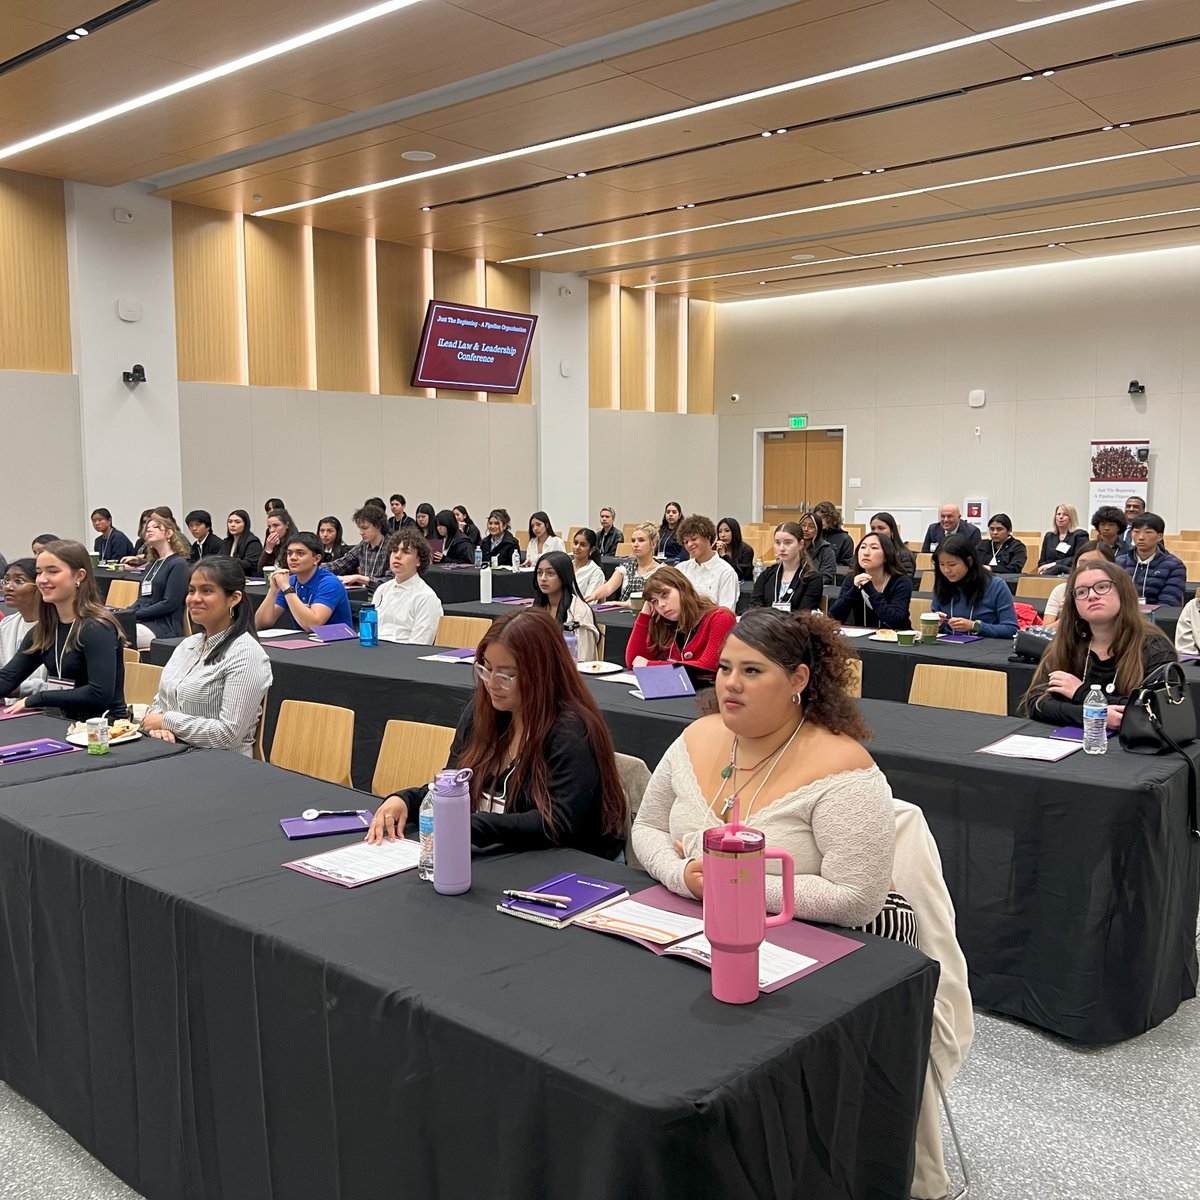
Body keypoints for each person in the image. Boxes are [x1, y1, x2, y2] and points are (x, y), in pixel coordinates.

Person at [631, 608, 894, 926]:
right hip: (686, 925)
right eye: (724, 668)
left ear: (797, 679)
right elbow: (648, 827)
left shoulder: (844, 769)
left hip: (808, 945)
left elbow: (857, 899)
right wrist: (679, 874)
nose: (731, 683)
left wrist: (729, 884)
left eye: (752, 671)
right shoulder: (696, 736)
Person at [366, 609, 626, 858]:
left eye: (507, 675)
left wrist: (471, 826)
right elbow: (453, 785)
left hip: (566, 866)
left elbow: (558, 824)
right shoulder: (483, 712)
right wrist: (406, 801)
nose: (491, 683)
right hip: (504, 855)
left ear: (542, 674)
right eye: (486, 668)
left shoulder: (570, 730)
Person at [1023, 560, 1177, 728]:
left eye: (1102, 587)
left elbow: (1157, 711)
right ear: (1074, 606)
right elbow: (1037, 703)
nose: (1092, 595)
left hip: (1134, 749)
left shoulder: (1155, 647)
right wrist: (1095, 714)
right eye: (1081, 592)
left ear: (1123, 593)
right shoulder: (1067, 643)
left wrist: (1081, 693)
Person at [141, 558, 272, 755]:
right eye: (191, 590)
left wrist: (167, 721)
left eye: (207, 591)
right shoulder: (188, 645)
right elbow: (161, 702)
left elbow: (228, 735)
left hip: (222, 765)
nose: (194, 598)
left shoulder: (246, 655)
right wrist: (159, 728)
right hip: (174, 753)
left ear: (234, 598)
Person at [0, 540, 128, 720]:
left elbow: (99, 694)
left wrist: (36, 699)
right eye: (39, 572)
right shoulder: (45, 629)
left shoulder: (96, 628)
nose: (42, 579)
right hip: (63, 723)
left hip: (104, 730)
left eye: (52, 571)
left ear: (79, 576)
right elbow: (7, 679)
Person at [625, 566, 737, 684]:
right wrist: (644, 614)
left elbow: (709, 667)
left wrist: (650, 665)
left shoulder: (720, 617)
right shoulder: (666, 624)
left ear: (682, 588)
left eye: (665, 594)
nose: (661, 605)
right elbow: (633, 661)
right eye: (654, 601)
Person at [256, 532, 353, 633]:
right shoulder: (291, 581)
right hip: (306, 643)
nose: (292, 558)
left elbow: (313, 625)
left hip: (338, 642)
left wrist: (287, 589)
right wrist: (273, 590)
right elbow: (260, 624)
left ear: (316, 559)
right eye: (289, 553)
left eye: (300, 553)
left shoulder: (330, 583)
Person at [930, 534, 1018, 638]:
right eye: (942, 564)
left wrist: (974, 626)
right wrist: (937, 622)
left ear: (969, 561)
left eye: (952, 564)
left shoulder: (995, 585)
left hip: (985, 649)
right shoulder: (943, 582)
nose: (946, 570)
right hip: (948, 648)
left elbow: (1011, 629)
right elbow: (938, 624)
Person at [122, 515, 189, 649]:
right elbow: (142, 599)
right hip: (143, 620)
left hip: (163, 626)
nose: (149, 530)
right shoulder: (152, 564)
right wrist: (125, 613)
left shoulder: (178, 564)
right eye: (147, 528)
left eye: (156, 527)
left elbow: (169, 603)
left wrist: (133, 615)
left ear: (169, 533)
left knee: (116, 637)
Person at [372, 529, 443, 644]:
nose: (397, 556)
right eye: (394, 551)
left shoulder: (426, 598)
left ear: (419, 560)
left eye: (406, 552)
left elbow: (419, 645)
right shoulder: (382, 590)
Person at [829, 533, 913, 629]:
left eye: (874, 548)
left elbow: (895, 620)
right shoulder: (852, 579)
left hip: (896, 639)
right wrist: (854, 590)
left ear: (886, 555)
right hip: (863, 641)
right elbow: (833, 618)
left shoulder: (901, 582)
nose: (866, 553)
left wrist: (870, 589)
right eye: (863, 547)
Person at [533, 551, 599, 661]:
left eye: (550, 573)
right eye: (539, 573)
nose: (543, 578)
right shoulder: (535, 608)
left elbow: (583, 657)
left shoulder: (579, 611)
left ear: (563, 576)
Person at [750, 522, 823, 613]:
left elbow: (804, 614)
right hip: (766, 625)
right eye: (777, 543)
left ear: (800, 544)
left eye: (787, 543)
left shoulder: (812, 578)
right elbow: (754, 606)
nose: (781, 548)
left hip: (794, 626)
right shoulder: (767, 574)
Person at [0, 558, 48, 697]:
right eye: (5, 581)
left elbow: (62, 688)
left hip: (46, 709)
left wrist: (18, 689)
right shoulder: (6, 625)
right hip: (11, 708)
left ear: (40, 585)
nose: (8, 587)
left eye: (18, 581)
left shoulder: (56, 627)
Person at [584, 521, 662, 605]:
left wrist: (619, 603)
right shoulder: (625, 568)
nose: (635, 544)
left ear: (653, 544)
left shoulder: (661, 571)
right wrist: (593, 595)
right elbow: (608, 587)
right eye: (633, 541)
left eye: (641, 540)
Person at [1042, 541, 1116, 627]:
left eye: (1096, 564)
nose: (1087, 568)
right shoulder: (1061, 590)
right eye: (1082, 563)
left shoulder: (1118, 592)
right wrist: (1071, 615)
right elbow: (1045, 630)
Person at [1118, 512, 1185, 606]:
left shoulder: (1174, 566)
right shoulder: (1119, 562)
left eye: (1148, 532)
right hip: (1123, 616)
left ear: (1159, 536)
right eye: (1136, 532)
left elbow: (1169, 602)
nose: (1141, 537)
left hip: (1156, 617)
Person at [675, 515, 739, 611]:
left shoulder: (726, 572)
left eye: (693, 539)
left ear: (708, 537)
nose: (689, 545)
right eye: (685, 541)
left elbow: (726, 612)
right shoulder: (680, 569)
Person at [328, 505, 391, 591]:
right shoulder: (363, 545)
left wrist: (359, 578)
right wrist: (314, 566)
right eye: (360, 528)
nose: (361, 532)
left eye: (365, 528)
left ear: (378, 526)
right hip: (365, 595)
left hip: (384, 597)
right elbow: (340, 565)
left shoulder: (392, 547)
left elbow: (391, 581)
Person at [1036, 504, 1086, 575]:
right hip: (1049, 573)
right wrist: (1044, 568)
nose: (1061, 517)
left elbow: (1078, 558)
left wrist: (1054, 564)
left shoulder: (1080, 535)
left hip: (1070, 573)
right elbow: (1042, 560)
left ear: (1072, 517)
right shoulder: (1049, 536)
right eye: (1058, 514)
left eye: (1065, 514)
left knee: (1058, 568)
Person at [797, 511, 836, 585]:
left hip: (815, 587)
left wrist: (809, 585)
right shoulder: (794, 547)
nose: (806, 529)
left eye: (811, 527)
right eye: (803, 525)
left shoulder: (826, 550)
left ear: (818, 530)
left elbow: (826, 576)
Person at [221, 510, 263, 577]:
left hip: (249, 579)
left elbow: (249, 564)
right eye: (230, 522)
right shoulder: (226, 542)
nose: (232, 525)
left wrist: (227, 561)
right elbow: (219, 558)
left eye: (237, 522)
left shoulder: (253, 542)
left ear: (245, 524)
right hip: (229, 578)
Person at [812, 501, 854, 568]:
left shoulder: (845, 539)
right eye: (817, 518)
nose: (820, 521)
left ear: (832, 517)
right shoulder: (813, 536)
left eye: (823, 517)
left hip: (835, 575)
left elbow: (846, 566)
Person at [258, 508, 298, 575]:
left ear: (286, 525)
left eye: (276, 525)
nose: (272, 530)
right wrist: (268, 549)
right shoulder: (272, 541)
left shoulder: (295, 542)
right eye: (269, 527)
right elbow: (260, 570)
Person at [715, 516, 754, 582]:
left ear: (735, 532)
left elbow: (741, 575)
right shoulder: (715, 549)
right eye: (720, 531)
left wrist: (724, 556)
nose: (722, 535)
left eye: (727, 531)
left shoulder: (747, 550)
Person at [569, 528, 605, 598]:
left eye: (583, 545)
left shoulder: (596, 572)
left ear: (591, 549)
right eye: (575, 543)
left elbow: (589, 602)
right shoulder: (566, 566)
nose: (577, 547)